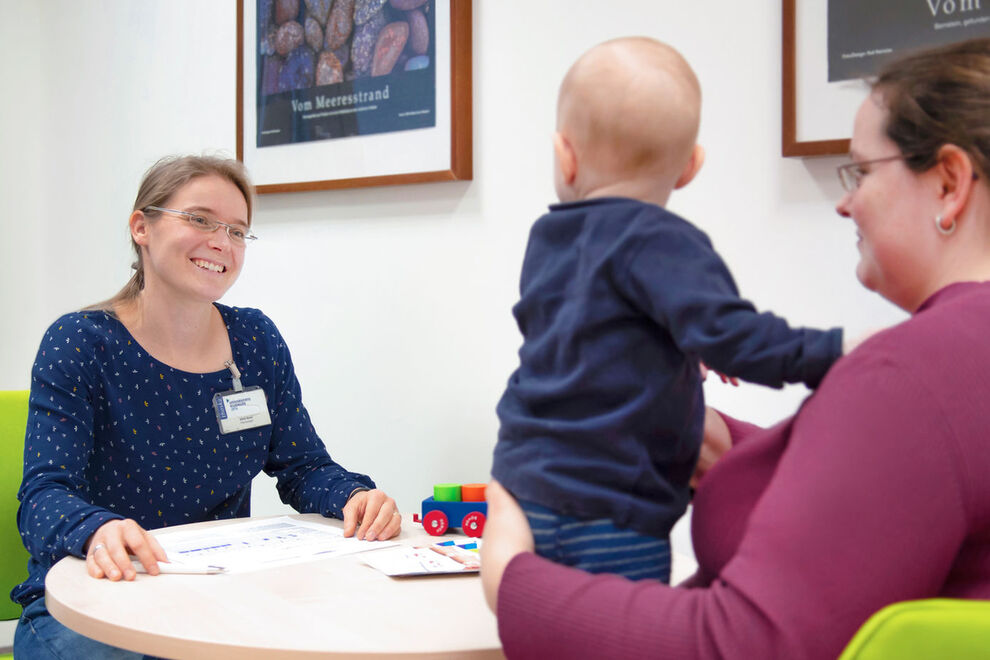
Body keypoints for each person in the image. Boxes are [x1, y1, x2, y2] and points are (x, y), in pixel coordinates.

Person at [481, 37, 990, 658]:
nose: (843, 201)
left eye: (859, 170)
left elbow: (740, 644)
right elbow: (895, 490)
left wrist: (510, 576)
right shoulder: (955, 360)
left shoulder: (909, 370)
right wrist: (709, 432)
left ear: (949, 184)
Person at [11, 155, 401, 659]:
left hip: (216, 595)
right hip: (97, 599)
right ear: (141, 227)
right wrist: (98, 530)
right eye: (199, 219)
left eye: (237, 231)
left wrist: (353, 497)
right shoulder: (81, 342)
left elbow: (303, 467)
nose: (222, 242)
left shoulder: (255, 340)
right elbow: (44, 495)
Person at [492, 36, 843, 583]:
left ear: (565, 154)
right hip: (616, 515)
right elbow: (741, 342)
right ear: (691, 167)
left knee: (542, 625)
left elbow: (586, 338)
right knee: (614, 633)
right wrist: (836, 351)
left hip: (526, 490)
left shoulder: (548, 239)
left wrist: (679, 345)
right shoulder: (665, 242)